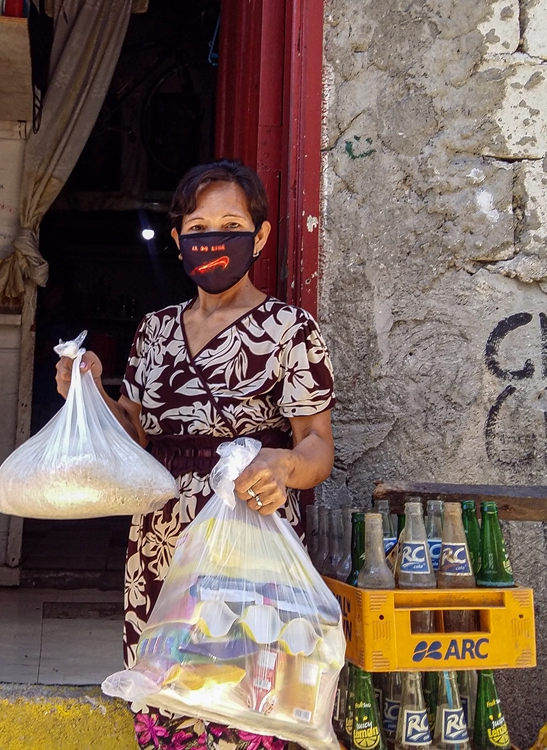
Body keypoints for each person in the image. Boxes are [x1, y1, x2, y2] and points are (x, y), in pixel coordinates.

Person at [55, 160, 336, 750]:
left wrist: (283, 465)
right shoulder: (155, 330)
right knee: (168, 695)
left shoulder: (290, 328)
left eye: (231, 224)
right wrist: (89, 392)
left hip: (248, 538)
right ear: (180, 239)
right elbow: (134, 434)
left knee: (245, 693)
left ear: (258, 237)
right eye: (199, 226)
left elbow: (316, 443)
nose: (215, 239)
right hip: (162, 538)